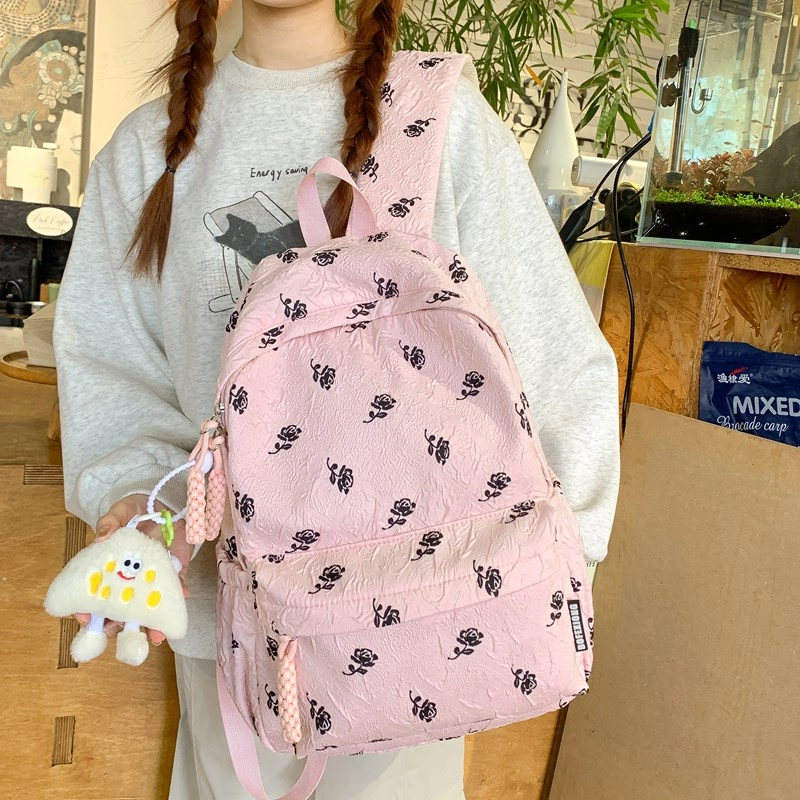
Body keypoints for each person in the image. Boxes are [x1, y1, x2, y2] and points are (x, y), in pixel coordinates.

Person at [54, 0, 621, 797]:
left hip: (432, 612)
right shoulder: (144, 152)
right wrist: (140, 502)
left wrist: (556, 568)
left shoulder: (441, 116)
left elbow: (557, 360)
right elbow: (116, 373)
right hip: (233, 630)